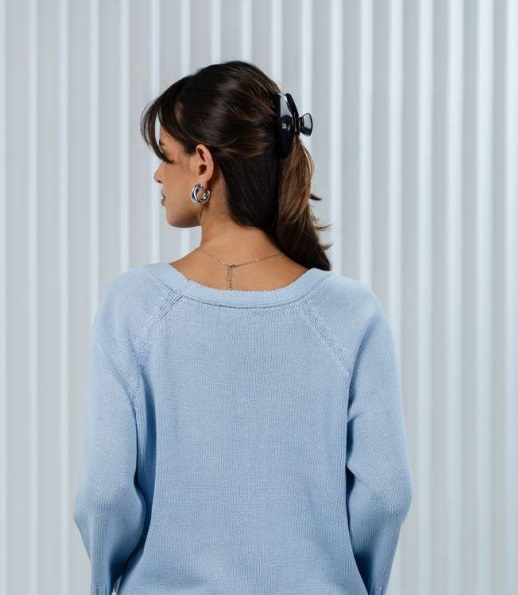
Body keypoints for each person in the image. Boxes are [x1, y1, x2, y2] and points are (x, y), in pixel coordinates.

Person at [73, 60, 413, 595]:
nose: (158, 175)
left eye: (164, 156)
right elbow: (388, 493)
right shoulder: (350, 313)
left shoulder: (134, 307)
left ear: (202, 164)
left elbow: (105, 493)